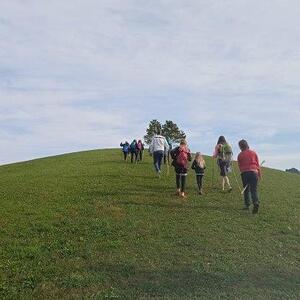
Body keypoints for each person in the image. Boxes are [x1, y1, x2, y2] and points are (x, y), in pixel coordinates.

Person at [237, 139, 261, 214]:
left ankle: (247, 205)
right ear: (247, 145)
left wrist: (242, 173)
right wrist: (259, 174)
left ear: (240, 147)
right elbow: (257, 164)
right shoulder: (253, 153)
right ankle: (256, 202)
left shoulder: (240, 155)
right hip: (254, 172)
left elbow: (240, 166)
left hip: (245, 173)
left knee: (246, 190)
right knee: (254, 189)